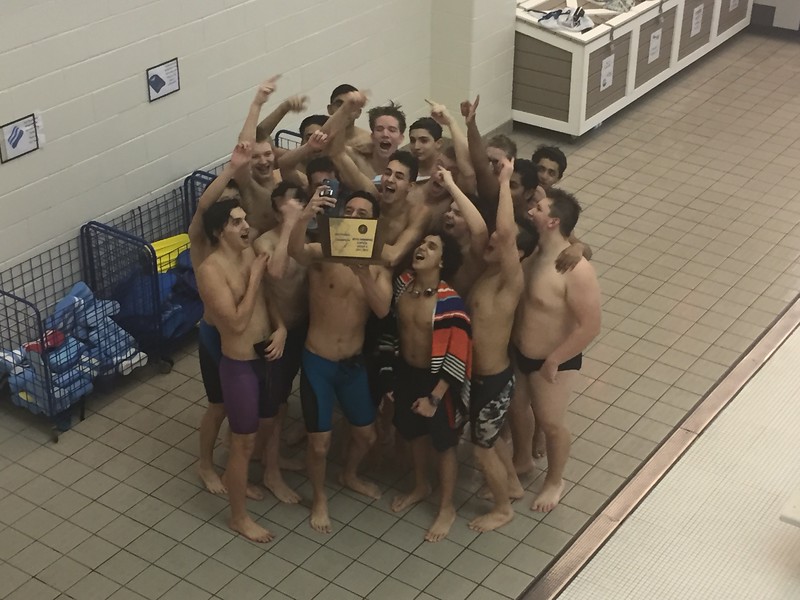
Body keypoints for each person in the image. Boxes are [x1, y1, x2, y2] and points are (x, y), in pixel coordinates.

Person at [288, 188, 393, 533]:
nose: (354, 217)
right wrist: (305, 215)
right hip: (318, 361)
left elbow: (381, 308)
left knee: (367, 436)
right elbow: (296, 251)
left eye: (363, 213)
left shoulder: (377, 266)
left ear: (373, 223)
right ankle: (319, 497)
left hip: (352, 364)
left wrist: (362, 271)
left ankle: (349, 474)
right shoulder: (323, 253)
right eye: (350, 210)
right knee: (319, 444)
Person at [195, 195, 287, 543]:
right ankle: (238, 518)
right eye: (237, 222)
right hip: (240, 366)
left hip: (268, 356)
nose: (246, 226)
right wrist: (253, 279)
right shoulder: (210, 271)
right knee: (242, 444)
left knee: (270, 422)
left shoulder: (250, 254)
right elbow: (233, 324)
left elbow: (266, 299)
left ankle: (250, 481)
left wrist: (281, 327)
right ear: (220, 232)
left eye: (244, 219)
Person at [512, 188, 601, 512]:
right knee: (516, 410)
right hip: (521, 352)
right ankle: (521, 461)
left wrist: (554, 359)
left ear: (553, 221)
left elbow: (590, 325)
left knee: (550, 423)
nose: (531, 209)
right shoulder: (536, 252)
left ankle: (555, 480)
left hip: (552, 360)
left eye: (538, 207)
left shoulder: (575, 269)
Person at [391, 232, 472, 543]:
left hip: (438, 381)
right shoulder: (403, 285)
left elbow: (458, 352)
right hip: (406, 373)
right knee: (412, 432)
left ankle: (446, 507)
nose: (422, 248)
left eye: (432, 246)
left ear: (443, 260)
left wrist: (435, 398)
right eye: (422, 243)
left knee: (444, 443)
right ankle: (421, 484)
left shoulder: (450, 303)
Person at [464, 157, 525, 532]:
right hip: (480, 376)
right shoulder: (486, 275)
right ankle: (514, 486)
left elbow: (504, 233)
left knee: (482, 448)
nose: (491, 241)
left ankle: (503, 508)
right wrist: (451, 184)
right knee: (493, 437)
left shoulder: (508, 282)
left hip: (494, 378)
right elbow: (481, 229)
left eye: (500, 244)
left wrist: (503, 182)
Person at [188, 142, 251, 495]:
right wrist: (230, 169)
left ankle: (235, 461)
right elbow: (203, 207)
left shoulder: (242, 237)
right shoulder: (202, 243)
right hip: (215, 333)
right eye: (223, 206)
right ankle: (206, 465)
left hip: (241, 337)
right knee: (219, 405)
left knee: (241, 406)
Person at [252, 182, 310, 504]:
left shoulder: (310, 236)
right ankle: (270, 472)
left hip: (304, 328)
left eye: (293, 207)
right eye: (281, 209)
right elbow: (276, 273)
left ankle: (269, 457)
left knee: (283, 402)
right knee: (271, 407)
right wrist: (289, 224)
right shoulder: (265, 242)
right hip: (277, 332)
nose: (286, 214)